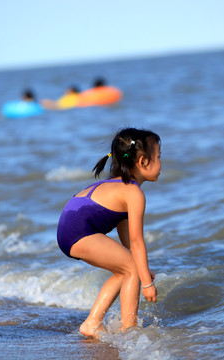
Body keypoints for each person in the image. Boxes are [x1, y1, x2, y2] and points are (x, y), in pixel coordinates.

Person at [57, 128, 161, 338]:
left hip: (68, 228)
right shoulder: (133, 193)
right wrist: (146, 283)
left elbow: (127, 239)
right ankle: (129, 330)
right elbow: (137, 241)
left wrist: (142, 269)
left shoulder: (118, 185)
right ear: (142, 162)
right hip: (79, 230)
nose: (161, 163)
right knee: (130, 268)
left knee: (125, 268)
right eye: (158, 157)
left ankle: (92, 323)